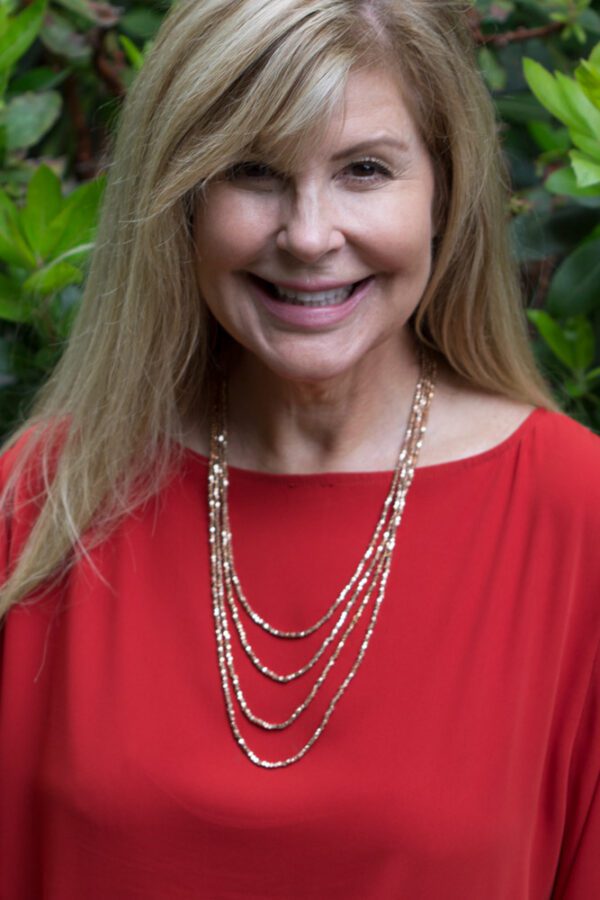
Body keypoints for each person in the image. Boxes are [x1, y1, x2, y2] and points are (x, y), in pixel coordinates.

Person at [1, 0, 598, 896]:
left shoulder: (575, 513)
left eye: (365, 169)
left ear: (446, 190)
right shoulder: (41, 499)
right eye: (253, 171)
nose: (309, 235)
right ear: (183, 200)